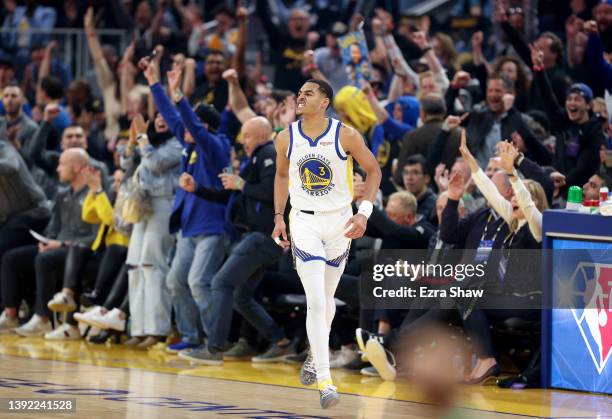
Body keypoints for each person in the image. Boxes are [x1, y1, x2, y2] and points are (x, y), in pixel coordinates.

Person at [272, 79, 381, 408]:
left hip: (340, 221)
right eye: (299, 92)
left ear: (325, 102)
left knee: (327, 298)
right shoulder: (285, 137)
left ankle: (313, 354)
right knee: (317, 301)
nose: (300, 96)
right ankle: (325, 380)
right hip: (304, 220)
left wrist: (363, 213)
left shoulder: (345, 134)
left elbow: (374, 171)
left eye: (308, 93)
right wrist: (279, 216)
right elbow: (281, 176)